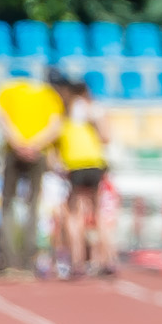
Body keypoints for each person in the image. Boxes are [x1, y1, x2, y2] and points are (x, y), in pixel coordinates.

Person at [0, 71, 65, 272]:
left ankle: (9, 260)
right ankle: (27, 261)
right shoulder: (49, 94)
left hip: (14, 150)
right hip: (38, 152)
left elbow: (1, 118)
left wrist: (18, 143)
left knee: (7, 204)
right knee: (33, 204)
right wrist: (34, 145)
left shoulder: (7, 90)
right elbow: (55, 126)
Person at [55, 77, 112, 276]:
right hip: (95, 163)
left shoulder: (64, 110)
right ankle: (106, 260)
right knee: (98, 213)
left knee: (74, 214)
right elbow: (106, 137)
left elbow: (56, 137)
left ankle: (77, 261)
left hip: (75, 164)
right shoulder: (94, 108)